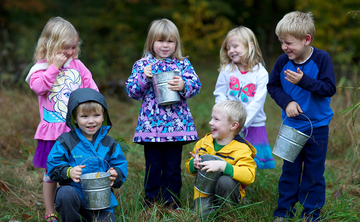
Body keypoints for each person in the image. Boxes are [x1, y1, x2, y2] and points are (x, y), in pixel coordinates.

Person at [24, 17, 98, 222]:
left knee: (76, 170)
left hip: (75, 131)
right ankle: (50, 212)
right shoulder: (41, 68)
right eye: (65, 47)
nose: (69, 52)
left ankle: (75, 206)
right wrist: (54, 66)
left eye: (73, 47)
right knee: (52, 174)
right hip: (52, 133)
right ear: (49, 44)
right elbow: (39, 88)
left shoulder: (78, 66)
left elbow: (91, 88)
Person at [267, 11, 336, 222]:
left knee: (314, 173)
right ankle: (283, 212)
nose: (284, 47)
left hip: (318, 127)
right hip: (291, 126)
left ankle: (311, 214)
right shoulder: (282, 61)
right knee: (290, 171)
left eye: (289, 43)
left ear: (307, 40)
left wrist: (304, 81)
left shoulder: (321, 59)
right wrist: (287, 102)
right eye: (281, 42)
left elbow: (328, 88)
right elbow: (273, 86)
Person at [126, 18, 201, 209]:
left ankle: (171, 201)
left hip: (176, 125)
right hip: (151, 127)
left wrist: (184, 85)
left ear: (176, 43)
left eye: (170, 41)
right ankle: (151, 200)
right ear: (151, 42)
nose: (165, 45)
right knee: (153, 165)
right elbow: (132, 91)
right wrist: (144, 77)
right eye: (160, 40)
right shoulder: (143, 65)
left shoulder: (182, 64)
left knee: (172, 166)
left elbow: (196, 85)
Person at [47, 88, 127, 222]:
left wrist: (116, 174)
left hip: (101, 202)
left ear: (104, 116)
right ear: (75, 119)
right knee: (65, 193)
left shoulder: (109, 143)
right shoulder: (66, 141)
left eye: (96, 115)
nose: (91, 121)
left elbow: (120, 165)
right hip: (75, 195)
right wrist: (69, 172)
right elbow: (53, 166)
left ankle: (96, 217)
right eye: (84, 116)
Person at [213, 26, 275, 169]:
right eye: (228, 48)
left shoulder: (261, 73)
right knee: (229, 157)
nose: (231, 51)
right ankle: (230, 186)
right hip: (228, 124)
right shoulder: (227, 70)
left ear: (250, 46)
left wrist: (242, 123)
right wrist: (223, 118)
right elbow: (220, 93)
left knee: (247, 160)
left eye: (235, 46)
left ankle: (242, 187)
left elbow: (257, 103)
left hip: (252, 124)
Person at [185, 100, 257, 218]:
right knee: (202, 217)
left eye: (216, 119)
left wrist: (223, 166)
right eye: (211, 118)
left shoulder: (241, 149)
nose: (210, 122)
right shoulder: (204, 142)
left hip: (227, 192)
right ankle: (208, 207)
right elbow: (189, 166)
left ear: (233, 125)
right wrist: (194, 164)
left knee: (225, 181)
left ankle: (227, 213)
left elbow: (249, 175)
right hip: (203, 193)